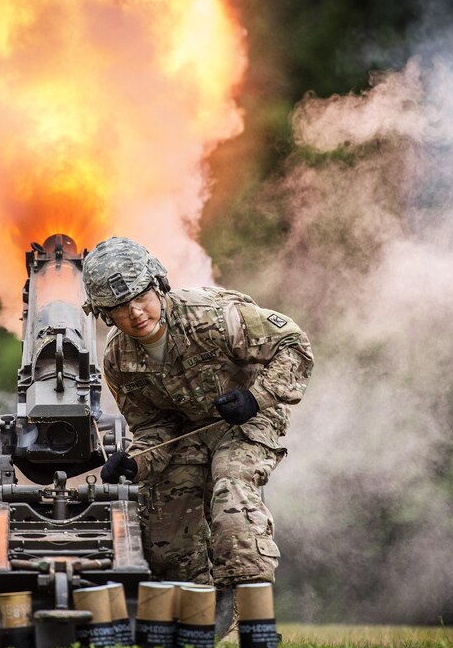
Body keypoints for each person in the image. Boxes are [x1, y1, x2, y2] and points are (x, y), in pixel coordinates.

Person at [82, 237, 313, 598]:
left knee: (231, 492)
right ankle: (199, 620)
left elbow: (294, 345)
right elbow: (154, 426)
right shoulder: (117, 360)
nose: (136, 313)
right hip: (190, 432)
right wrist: (135, 463)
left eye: (141, 297)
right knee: (164, 534)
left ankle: (251, 619)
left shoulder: (212, 316)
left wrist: (255, 398)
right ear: (104, 313)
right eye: (120, 308)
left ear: (158, 286)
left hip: (248, 419)